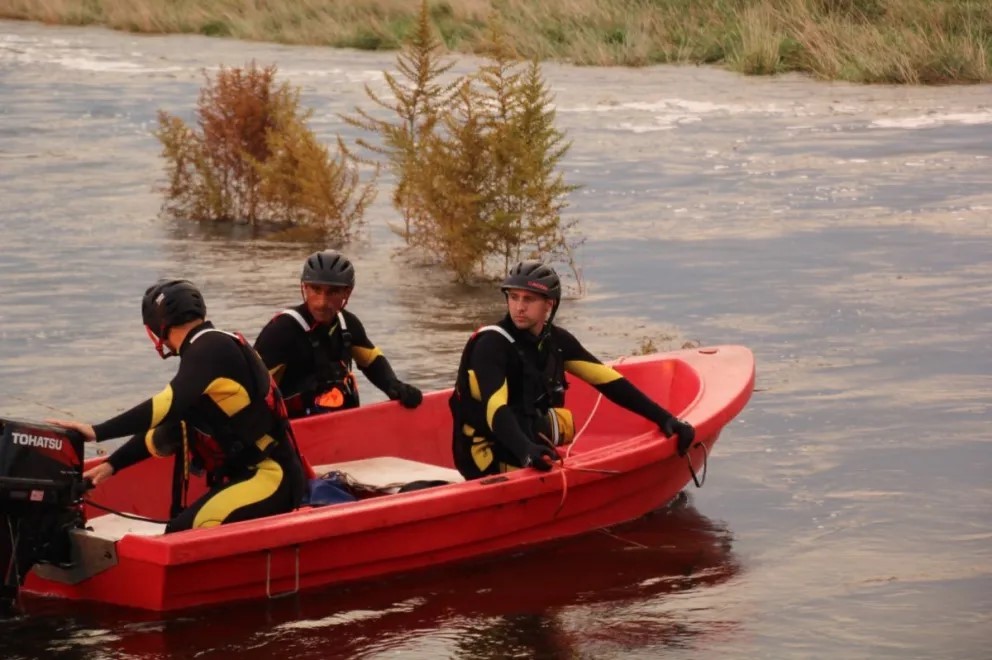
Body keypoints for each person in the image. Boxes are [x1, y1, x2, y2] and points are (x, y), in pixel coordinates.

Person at [50, 279, 306, 533]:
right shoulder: (209, 348)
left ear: (157, 329)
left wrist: (96, 431)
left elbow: (165, 405)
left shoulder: (209, 349)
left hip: (272, 476)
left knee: (182, 532)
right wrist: (110, 466)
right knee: (179, 527)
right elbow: (170, 426)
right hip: (256, 475)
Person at [449, 260, 696, 479]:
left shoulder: (555, 341)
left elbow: (607, 381)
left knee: (560, 423)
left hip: (523, 444)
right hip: (484, 455)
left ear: (549, 305)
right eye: (513, 297)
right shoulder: (491, 344)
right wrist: (526, 452)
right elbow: (495, 407)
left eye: (529, 299)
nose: (519, 307)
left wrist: (665, 418)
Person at [254, 249, 422, 418]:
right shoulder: (281, 331)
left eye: (332, 292)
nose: (322, 302)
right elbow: (251, 388)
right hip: (292, 431)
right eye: (315, 289)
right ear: (304, 288)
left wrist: (395, 387)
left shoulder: (347, 325)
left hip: (338, 427)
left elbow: (371, 360)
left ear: (347, 293)